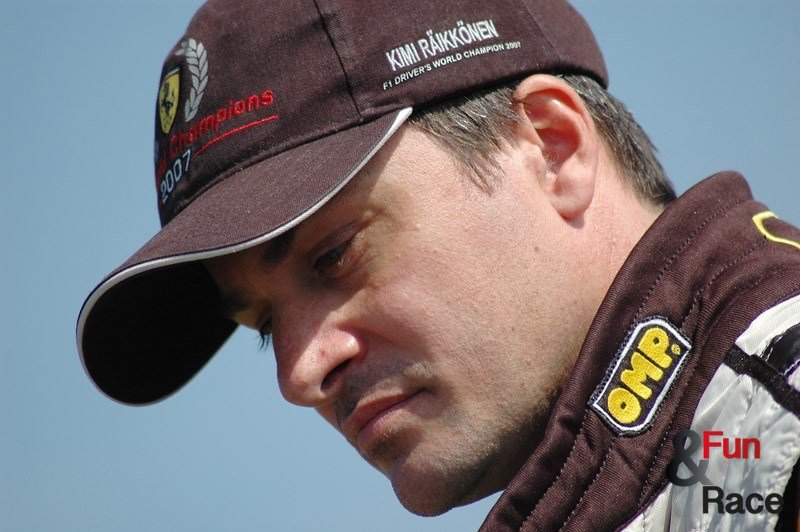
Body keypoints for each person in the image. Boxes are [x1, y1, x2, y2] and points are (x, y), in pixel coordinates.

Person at [76, 0, 800, 529]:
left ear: (552, 148)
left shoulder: (774, 436)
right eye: (263, 326)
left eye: (334, 255)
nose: (298, 375)